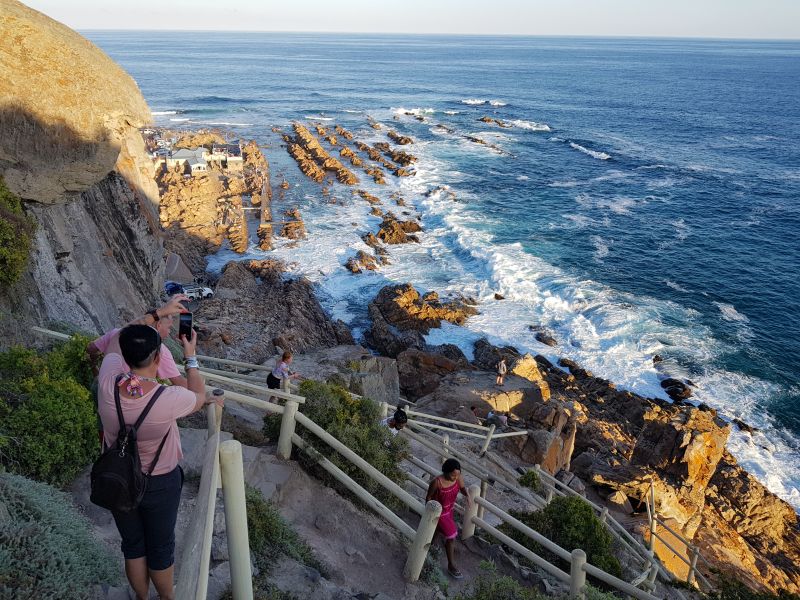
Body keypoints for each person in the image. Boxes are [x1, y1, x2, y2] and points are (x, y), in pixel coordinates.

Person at [97, 297, 223, 600]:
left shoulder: (107, 380)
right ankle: (166, 598)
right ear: (157, 359)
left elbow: (121, 335)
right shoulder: (168, 399)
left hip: (118, 476)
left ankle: (142, 597)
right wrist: (190, 355)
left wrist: (156, 314)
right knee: (161, 545)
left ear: (125, 355)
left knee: (133, 544)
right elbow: (197, 393)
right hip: (160, 481)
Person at [426, 458, 470, 579]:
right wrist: (431, 514)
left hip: (449, 510)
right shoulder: (437, 482)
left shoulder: (457, 477)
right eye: (452, 475)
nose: (455, 478)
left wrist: (468, 495)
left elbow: (462, 488)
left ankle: (428, 548)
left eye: (457, 475)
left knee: (438, 530)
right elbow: (428, 497)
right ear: (445, 471)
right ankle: (451, 565)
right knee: (451, 536)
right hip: (438, 512)